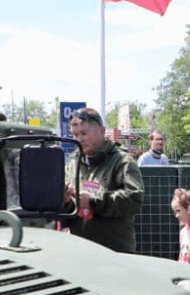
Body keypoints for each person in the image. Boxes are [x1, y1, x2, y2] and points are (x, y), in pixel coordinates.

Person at [60, 107, 144, 253]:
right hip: (81, 250)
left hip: (115, 252)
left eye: (84, 133)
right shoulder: (73, 163)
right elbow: (67, 212)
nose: (79, 139)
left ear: (101, 131)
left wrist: (92, 200)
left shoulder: (122, 161)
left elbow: (134, 199)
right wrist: (66, 202)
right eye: (75, 134)